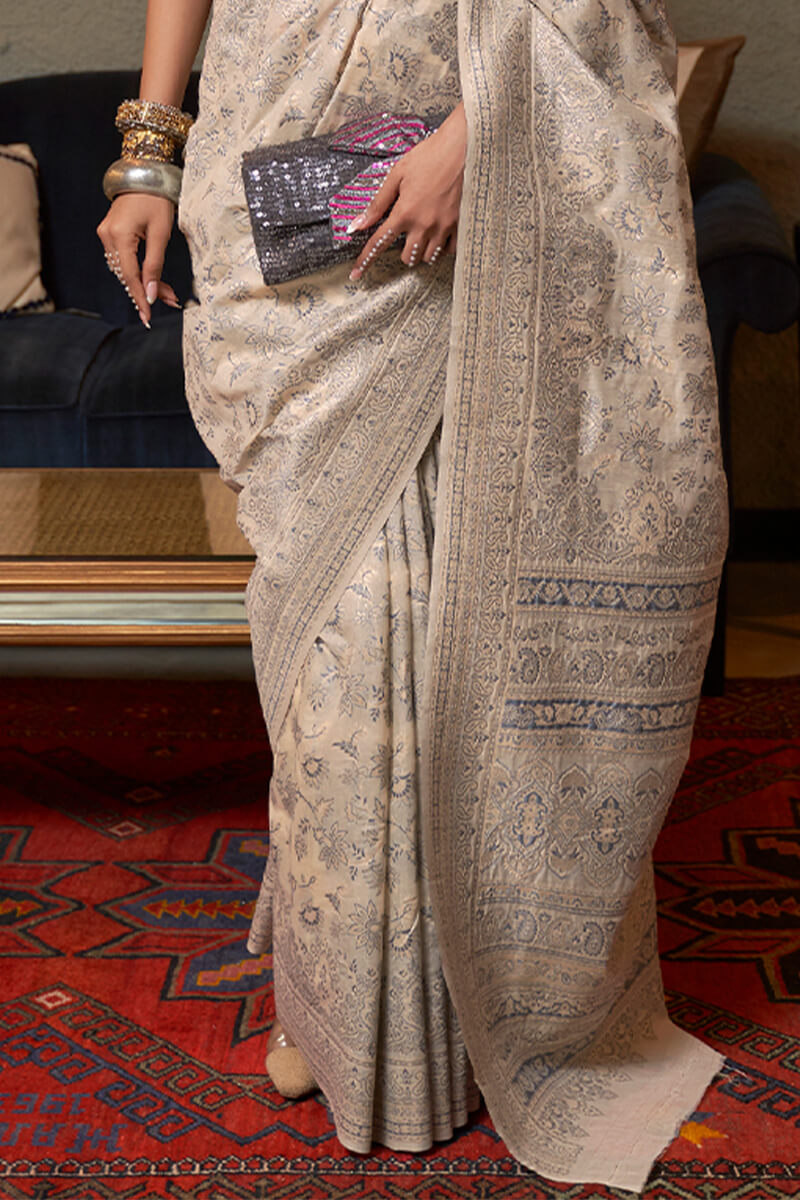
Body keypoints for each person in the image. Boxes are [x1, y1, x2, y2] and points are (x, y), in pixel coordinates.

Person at [98, 0, 729, 1190]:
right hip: (272, 172)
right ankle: (341, 998)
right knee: (322, 652)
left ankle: (436, 1017)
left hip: (442, 182)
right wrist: (149, 156)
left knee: (421, 628)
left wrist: (473, 134)